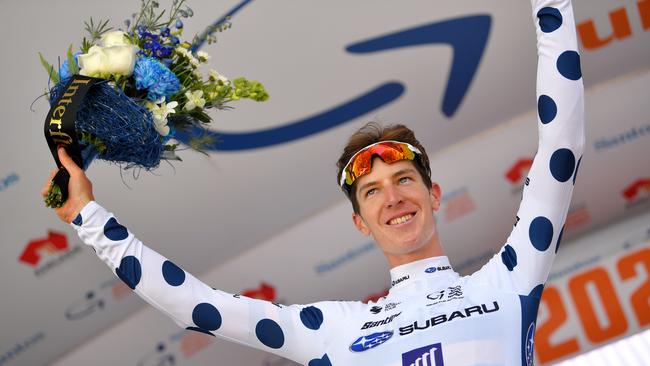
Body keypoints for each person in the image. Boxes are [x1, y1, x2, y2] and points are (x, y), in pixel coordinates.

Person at [44, 0, 584, 364]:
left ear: (434, 194)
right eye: (372, 191)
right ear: (359, 221)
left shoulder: (510, 282)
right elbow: (198, 307)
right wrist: (91, 219)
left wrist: (552, 5)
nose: (393, 197)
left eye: (403, 179)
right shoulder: (335, 331)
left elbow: (561, 146)